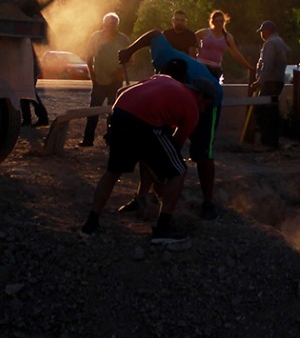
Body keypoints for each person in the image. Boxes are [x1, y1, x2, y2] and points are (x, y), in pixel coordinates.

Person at [76, 73, 215, 246]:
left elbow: (124, 90)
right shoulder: (192, 109)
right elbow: (174, 147)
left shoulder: (165, 79)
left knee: (113, 171)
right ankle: (162, 229)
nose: (203, 110)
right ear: (200, 95)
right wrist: (161, 182)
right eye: (206, 105)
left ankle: (90, 225)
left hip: (119, 113)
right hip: (143, 121)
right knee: (179, 171)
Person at [118, 29, 226, 220]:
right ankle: (142, 196)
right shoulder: (163, 56)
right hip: (175, 104)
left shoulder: (199, 100)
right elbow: (153, 34)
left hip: (209, 103)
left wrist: (165, 167)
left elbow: (177, 142)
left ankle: (208, 201)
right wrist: (129, 50)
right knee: (153, 145)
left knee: (202, 153)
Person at [81, 12, 131, 146]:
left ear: (117, 25)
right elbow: (89, 56)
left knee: (114, 111)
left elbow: (130, 60)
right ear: (104, 24)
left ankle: (111, 138)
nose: (111, 26)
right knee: (93, 110)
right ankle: (88, 139)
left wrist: (120, 72)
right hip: (99, 79)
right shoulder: (95, 37)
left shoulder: (123, 39)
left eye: (114, 24)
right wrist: (92, 74)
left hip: (115, 80)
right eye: (109, 23)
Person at [252, 20, 289, 150]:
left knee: (263, 111)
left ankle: (267, 141)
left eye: (262, 31)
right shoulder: (280, 41)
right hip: (278, 80)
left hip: (270, 81)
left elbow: (267, 65)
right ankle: (273, 141)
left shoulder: (270, 43)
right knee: (272, 111)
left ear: (267, 31)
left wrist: (259, 81)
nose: (261, 34)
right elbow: (287, 53)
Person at [195, 10, 254, 82]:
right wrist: (197, 48)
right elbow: (193, 37)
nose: (219, 23)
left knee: (213, 89)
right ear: (213, 22)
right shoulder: (206, 32)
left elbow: (236, 53)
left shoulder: (227, 37)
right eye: (217, 21)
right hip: (202, 65)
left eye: (221, 21)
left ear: (224, 22)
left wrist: (248, 66)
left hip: (215, 68)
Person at [20, 50, 49, 128]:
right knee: (25, 94)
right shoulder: (25, 42)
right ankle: (28, 119)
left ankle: (41, 117)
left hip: (28, 70)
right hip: (30, 69)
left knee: (28, 93)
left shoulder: (23, 44)